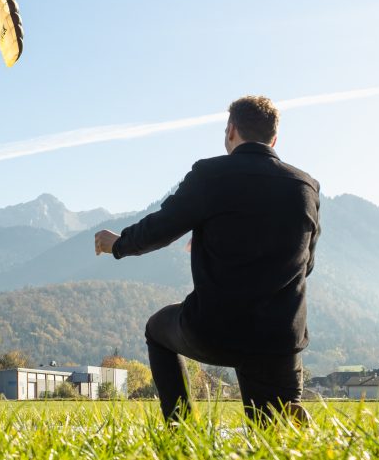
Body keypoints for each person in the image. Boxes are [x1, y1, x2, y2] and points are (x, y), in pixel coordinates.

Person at [94, 95, 320, 425]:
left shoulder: (209, 175)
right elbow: (306, 264)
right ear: (274, 138)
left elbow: (161, 228)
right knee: (273, 437)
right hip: (279, 338)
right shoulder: (306, 187)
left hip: (216, 329)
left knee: (157, 329)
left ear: (231, 130)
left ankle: (182, 434)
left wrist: (118, 244)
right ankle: (290, 415)